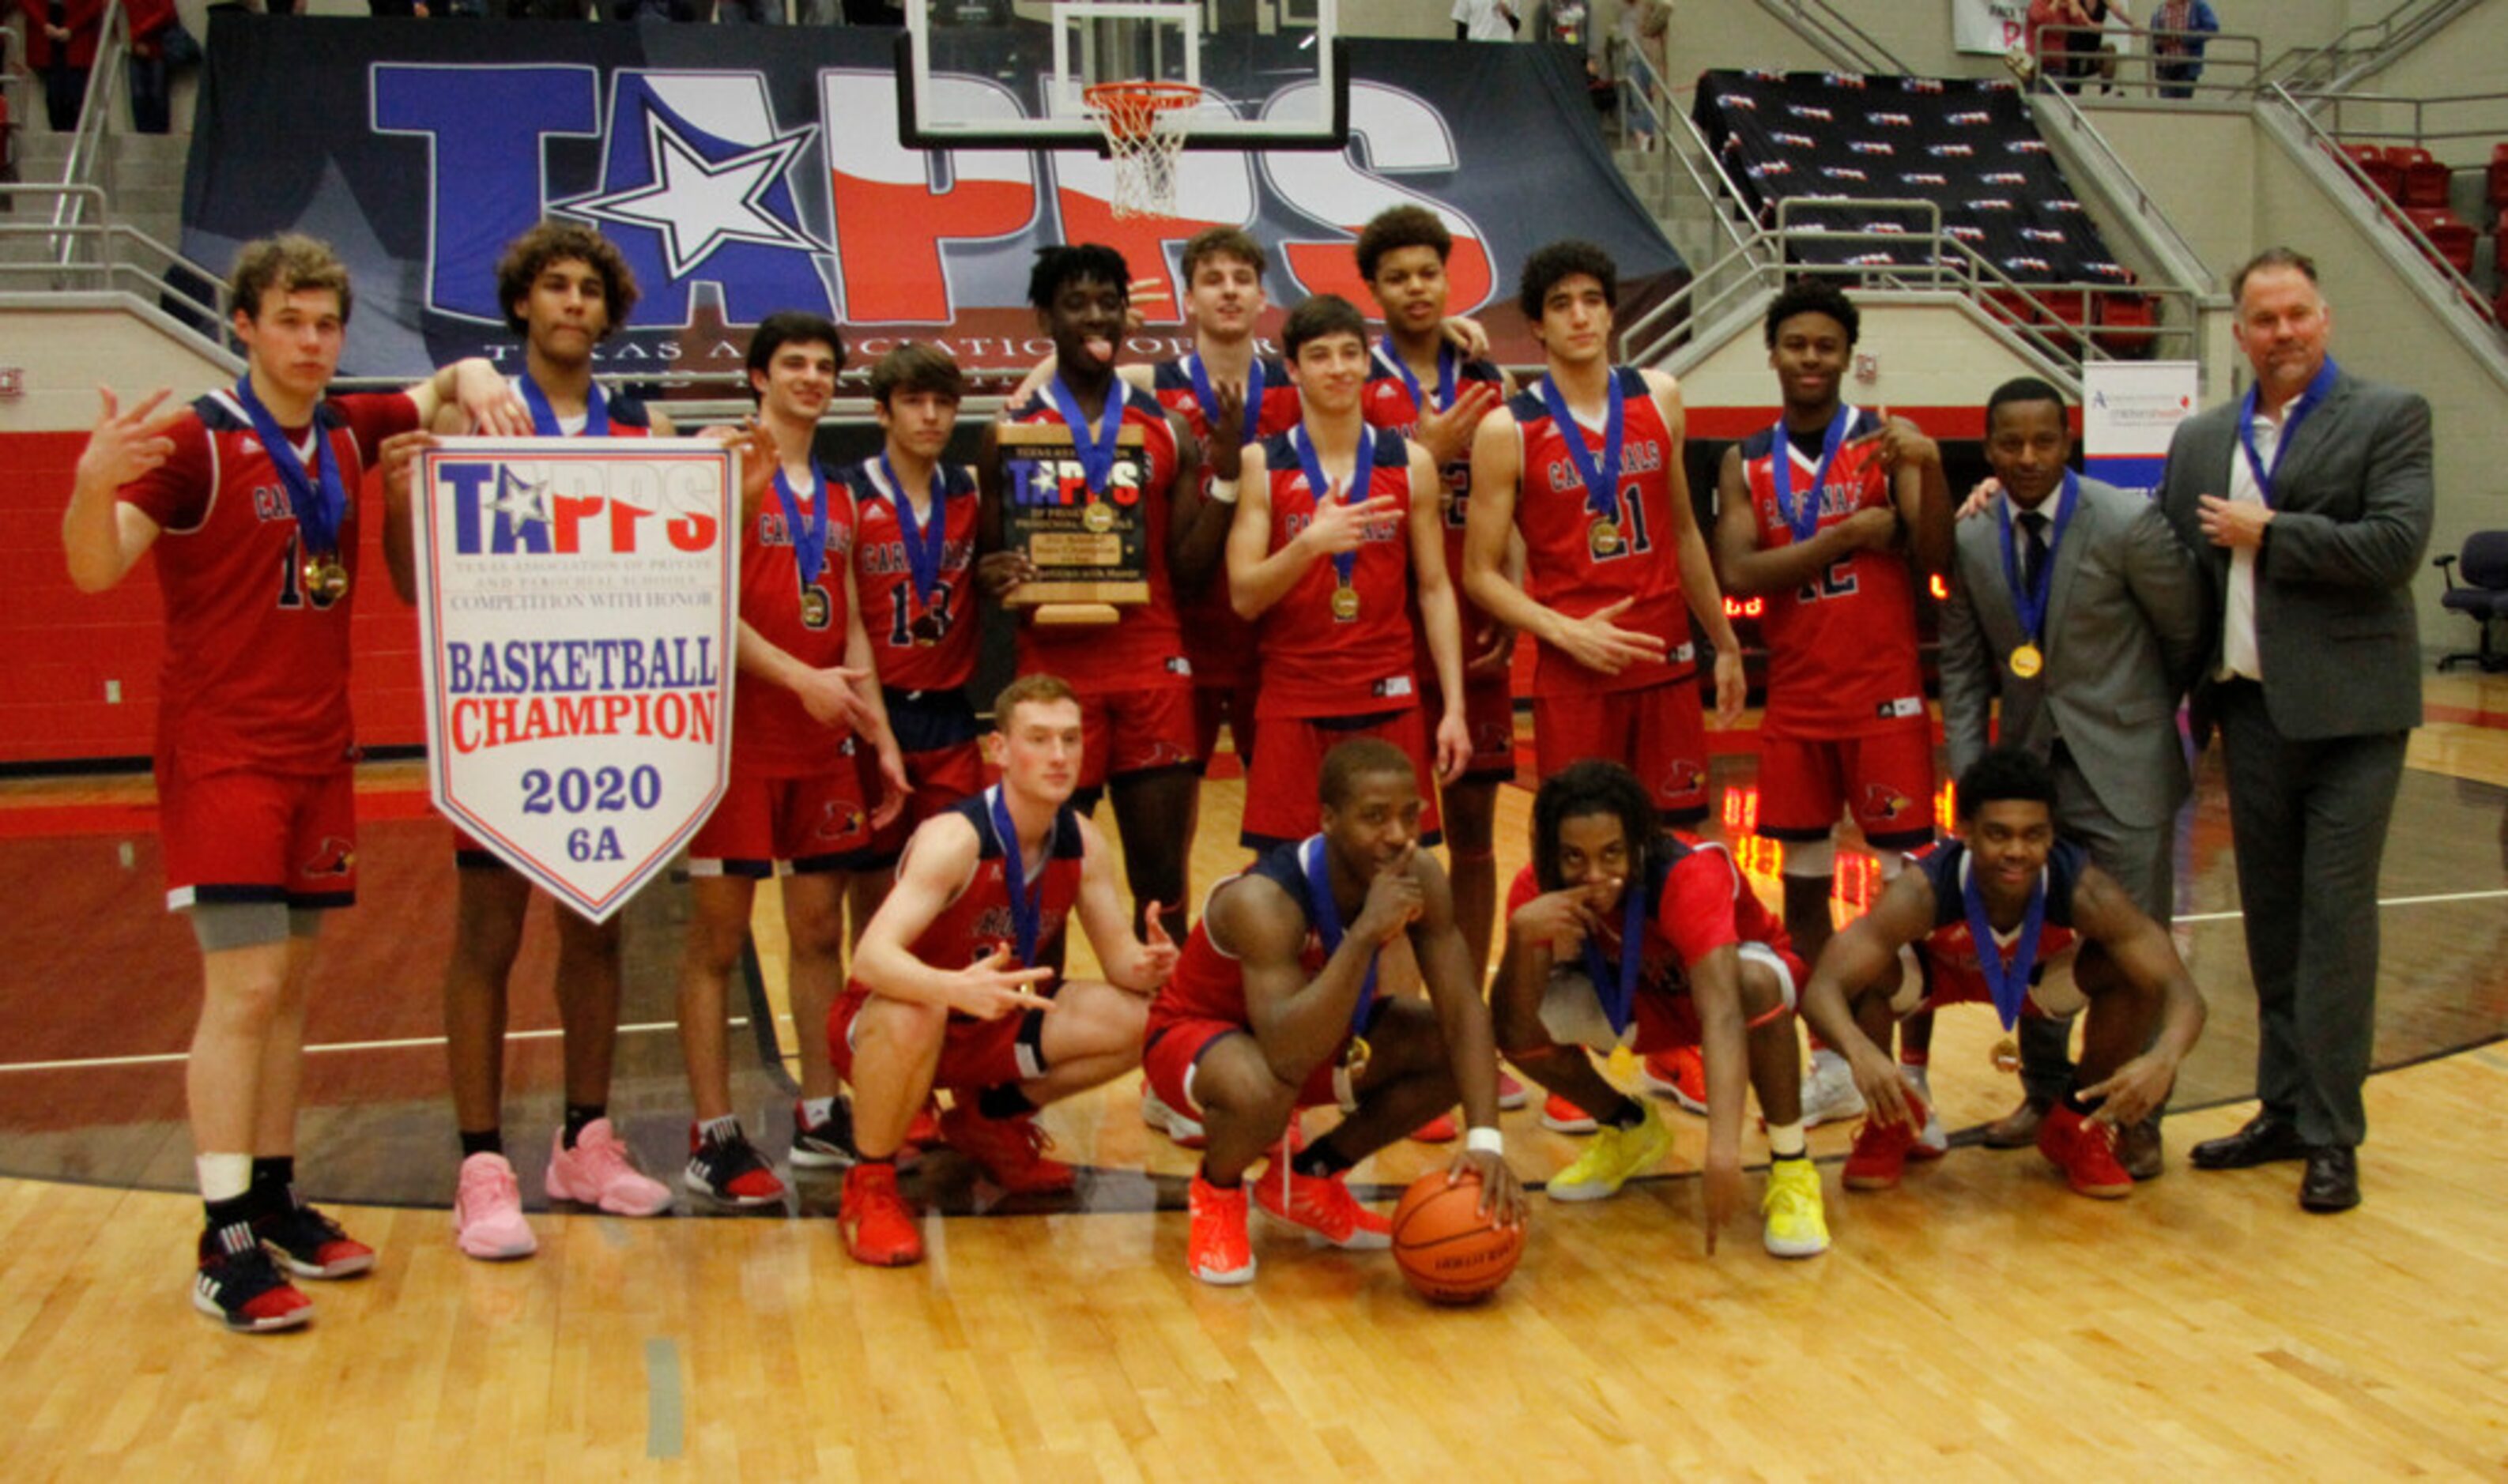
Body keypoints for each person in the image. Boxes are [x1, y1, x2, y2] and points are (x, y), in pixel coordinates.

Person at [62, 232, 528, 1330]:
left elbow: (444, 384)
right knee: (248, 991)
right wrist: (89, 485)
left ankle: (272, 1194)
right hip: (225, 752)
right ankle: (221, 1237)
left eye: (327, 323)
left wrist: (483, 378)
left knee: (294, 995)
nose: (314, 342)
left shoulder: (349, 430)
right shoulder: (191, 444)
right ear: (245, 325)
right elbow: (92, 566)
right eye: (292, 322)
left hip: (324, 752)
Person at [387, 222, 681, 1260]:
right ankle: (480, 1160)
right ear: (522, 304)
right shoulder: (475, 408)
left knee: (597, 930)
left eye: (590, 291)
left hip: (609, 702)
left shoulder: (637, 420)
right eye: (555, 287)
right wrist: (396, 499)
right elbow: (413, 584)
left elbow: (671, 567)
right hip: (507, 709)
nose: (574, 304)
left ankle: (582, 1140)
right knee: (488, 934)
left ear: (608, 312)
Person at [2159, 247, 2432, 1214]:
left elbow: (2394, 548)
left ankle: (2331, 1132)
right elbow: (2156, 548)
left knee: (2333, 923)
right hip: (2250, 710)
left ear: (2324, 320)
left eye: (2296, 316)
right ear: (2237, 334)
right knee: (2272, 925)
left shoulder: (2387, 415)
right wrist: (2010, 498)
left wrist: (2269, 531)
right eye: (2262, 320)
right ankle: (2279, 1109)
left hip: (2354, 716)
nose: (2281, 333)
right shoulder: (2199, 438)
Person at [1939, 376, 2201, 1178]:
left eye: (2042, 441)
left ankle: (2131, 1114)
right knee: (2033, 941)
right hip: (2024, 779)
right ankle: (2044, 1093)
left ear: (2066, 442)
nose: (2025, 457)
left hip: (2123, 771)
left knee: (2134, 951)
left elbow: (2183, 630)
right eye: (2008, 443)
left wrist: (2133, 721)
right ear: (1986, 448)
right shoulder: (1973, 534)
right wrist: (1970, 776)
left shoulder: (2125, 521)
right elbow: (1958, 663)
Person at [677, 311, 908, 1207]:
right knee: (717, 940)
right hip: (733, 739)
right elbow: (694, 592)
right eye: (792, 364)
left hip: (821, 741)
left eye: (823, 365)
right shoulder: (722, 468)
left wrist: (876, 732)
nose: (810, 377)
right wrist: (795, 679)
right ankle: (714, 1133)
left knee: (817, 933)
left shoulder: (844, 495)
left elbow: (849, 618)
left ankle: (820, 1111)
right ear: (757, 377)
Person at [834, 673, 1181, 1266]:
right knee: (916, 1010)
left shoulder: (1083, 841)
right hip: (894, 1019)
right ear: (999, 750)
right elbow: (871, 957)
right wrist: (950, 988)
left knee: (1143, 1019)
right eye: (1039, 739)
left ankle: (987, 1123)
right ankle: (869, 1184)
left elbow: (1119, 964)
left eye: (1070, 740)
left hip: (988, 1017)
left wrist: (1151, 964)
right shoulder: (954, 838)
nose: (1057, 756)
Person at [1146, 739, 1523, 1285]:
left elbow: (1464, 1009)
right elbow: (1285, 1054)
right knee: (1260, 1086)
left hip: (1308, 1032)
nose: (1395, 835)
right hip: (1199, 1037)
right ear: (1327, 818)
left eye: (1407, 816)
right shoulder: (1263, 902)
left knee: (1450, 1047)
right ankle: (1217, 1192)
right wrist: (1366, 935)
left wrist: (1485, 1142)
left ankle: (1309, 1178)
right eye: (1374, 817)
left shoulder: (1417, 872)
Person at [1713, 279, 1951, 1141]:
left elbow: (1935, 559)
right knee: (1804, 899)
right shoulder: (1743, 459)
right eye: (1795, 344)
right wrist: (1841, 539)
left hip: (1882, 701)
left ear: (1846, 355)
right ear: (1771, 352)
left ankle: (1916, 1078)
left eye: (1825, 346)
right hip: (1800, 705)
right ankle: (1831, 1063)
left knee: (1908, 900)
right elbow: (1737, 573)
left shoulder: (1887, 445)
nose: (1810, 358)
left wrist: (1927, 469)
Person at [1796, 748, 2207, 1200]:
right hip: (1938, 974)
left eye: (2033, 835)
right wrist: (1861, 1055)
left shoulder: (2087, 890)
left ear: (2052, 836)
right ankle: (1890, 1123)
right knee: (1862, 978)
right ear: (1966, 831)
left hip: (2034, 978)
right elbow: (1822, 989)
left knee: (2133, 973)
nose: (2016, 851)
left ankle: (2075, 1126)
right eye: (1999, 834)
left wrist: (2164, 1058)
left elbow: (2181, 992)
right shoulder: (1922, 890)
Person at [1463, 239, 1745, 840]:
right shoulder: (1506, 428)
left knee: (1678, 847)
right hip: (1576, 673)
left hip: (1664, 661)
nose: (1580, 315)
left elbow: (1685, 532)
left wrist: (1722, 641)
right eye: (1561, 304)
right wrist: (1561, 630)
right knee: (1580, 853)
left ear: (1611, 312)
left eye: (1592, 300)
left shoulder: (1658, 395)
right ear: (1537, 324)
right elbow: (1478, 573)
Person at [1492, 760, 1828, 1257]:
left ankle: (1792, 1164)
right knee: (1519, 1020)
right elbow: (1510, 1026)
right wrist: (1522, 940)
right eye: (1574, 858)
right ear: (1551, 854)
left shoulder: (1688, 874)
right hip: (1643, 995)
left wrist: (1721, 1150)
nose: (1596, 876)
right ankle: (1630, 1129)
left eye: (1612, 854)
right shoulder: (1536, 887)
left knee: (1753, 982)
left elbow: (1721, 1011)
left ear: (1637, 845)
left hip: (1734, 991)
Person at [979, 245, 1216, 950]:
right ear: (1045, 318)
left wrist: (1226, 476)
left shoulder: (1167, 429)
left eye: (1108, 301)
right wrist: (993, 575)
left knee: (1160, 879)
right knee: (1041, 875)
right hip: (1053, 675)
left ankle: (1169, 1043)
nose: (1095, 316)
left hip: (1151, 667)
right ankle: (1035, 1044)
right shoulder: (1008, 435)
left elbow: (1189, 569)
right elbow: (986, 569)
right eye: (1077, 302)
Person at [1227, 292, 1469, 853]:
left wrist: (1453, 708)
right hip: (1295, 698)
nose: (1336, 368)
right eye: (1318, 356)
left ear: (1367, 361)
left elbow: (1434, 590)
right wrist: (1307, 546)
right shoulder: (1262, 463)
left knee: (1401, 877)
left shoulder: (1410, 464)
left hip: (1388, 694)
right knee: (1286, 890)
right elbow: (1243, 596)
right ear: (1293, 370)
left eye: (1347, 353)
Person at [1148, 228, 1305, 789]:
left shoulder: (1298, 388)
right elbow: (1068, 378)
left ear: (1263, 299)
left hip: (1270, 626)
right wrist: (1029, 390)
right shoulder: (1151, 387)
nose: (1230, 291)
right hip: (1183, 624)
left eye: (1243, 280)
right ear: (1188, 300)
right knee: (1172, 802)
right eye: (1212, 280)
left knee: (1279, 798)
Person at [21, 0, 100, 133]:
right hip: (46, 30)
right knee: (54, 95)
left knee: (75, 95)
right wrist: (43, 23)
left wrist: (72, 27)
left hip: (78, 36)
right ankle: (60, 138)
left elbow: (96, 4)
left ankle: (76, 137)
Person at [2151, 0, 2220, 99]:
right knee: (2166, 106)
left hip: (2186, 64)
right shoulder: (2160, 10)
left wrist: (2184, 38)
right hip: (2165, 65)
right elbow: (2153, 35)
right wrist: (2161, 43)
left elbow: (2212, 28)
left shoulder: (2197, 7)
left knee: (2183, 103)